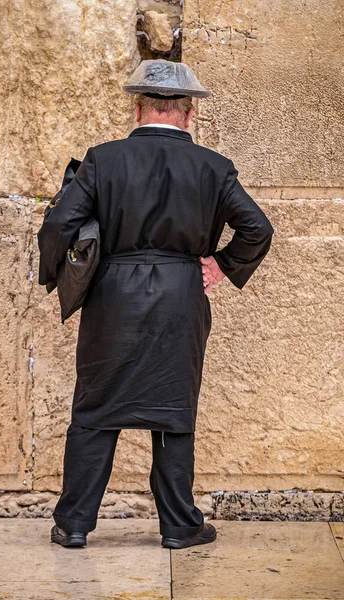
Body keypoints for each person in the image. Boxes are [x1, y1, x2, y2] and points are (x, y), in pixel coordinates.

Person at [37, 59, 274, 550]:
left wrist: (55, 277)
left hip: (112, 295)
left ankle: (75, 524)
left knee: (96, 408)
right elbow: (258, 229)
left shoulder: (103, 159)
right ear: (188, 114)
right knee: (173, 410)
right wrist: (222, 265)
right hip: (180, 295)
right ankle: (180, 526)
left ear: (139, 107)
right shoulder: (214, 166)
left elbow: (60, 226)